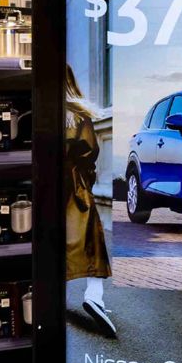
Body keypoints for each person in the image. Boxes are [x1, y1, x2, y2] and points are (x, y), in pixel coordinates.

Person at [65, 65, 116, 336]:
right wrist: (87, 181)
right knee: (90, 243)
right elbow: (89, 152)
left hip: (46, 185)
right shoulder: (77, 116)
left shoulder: (39, 112)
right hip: (73, 186)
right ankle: (94, 296)